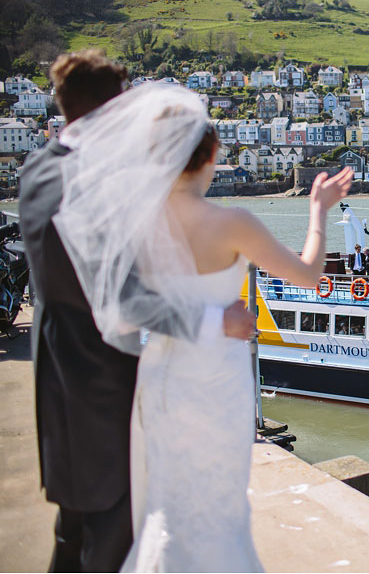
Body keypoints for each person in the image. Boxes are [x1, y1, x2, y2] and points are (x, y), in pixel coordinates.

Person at [51, 82, 353, 572]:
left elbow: (117, 306)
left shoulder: (136, 221)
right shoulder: (232, 222)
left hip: (162, 375)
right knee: (220, 508)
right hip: (218, 381)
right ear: (212, 153)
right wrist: (318, 210)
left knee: (167, 501)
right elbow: (310, 275)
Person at [17, 51, 256, 573]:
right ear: (114, 109)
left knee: (72, 530)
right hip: (102, 381)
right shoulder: (94, 184)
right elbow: (119, 297)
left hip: (56, 371)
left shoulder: (37, 167)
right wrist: (215, 318)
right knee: (110, 533)